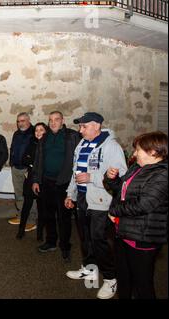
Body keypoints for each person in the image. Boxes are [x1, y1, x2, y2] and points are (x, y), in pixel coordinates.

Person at [64, 112, 127, 299]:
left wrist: (93, 178)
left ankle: (110, 278)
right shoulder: (81, 145)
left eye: (84, 126)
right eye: (80, 126)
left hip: (100, 200)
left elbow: (121, 176)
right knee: (85, 238)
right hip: (82, 198)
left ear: (97, 126)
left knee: (99, 240)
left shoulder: (111, 146)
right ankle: (90, 270)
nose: (80, 130)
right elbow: (76, 173)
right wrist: (71, 194)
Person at [105, 131, 168, 299]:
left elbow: (144, 204)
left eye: (137, 150)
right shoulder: (137, 168)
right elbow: (122, 191)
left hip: (143, 236)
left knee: (143, 285)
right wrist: (112, 179)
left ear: (153, 152)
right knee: (124, 280)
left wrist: (114, 210)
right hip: (124, 232)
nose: (133, 154)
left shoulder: (162, 175)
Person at [31, 111, 80, 261]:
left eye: (56, 120)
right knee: (48, 214)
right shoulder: (44, 138)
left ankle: (65, 247)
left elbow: (78, 159)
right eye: (50, 120)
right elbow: (38, 159)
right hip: (46, 182)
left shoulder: (71, 136)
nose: (53, 123)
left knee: (64, 217)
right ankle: (51, 242)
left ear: (62, 120)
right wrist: (36, 180)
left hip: (64, 183)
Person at [16, 122, 47, 240]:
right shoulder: (32, 143)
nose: (38, 132)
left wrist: (32, 162)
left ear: (46, 131)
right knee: (26, 206)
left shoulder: (48, 145)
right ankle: (21, 230)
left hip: (43, 180)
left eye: (41, 130)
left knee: (41, 208)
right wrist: (34, 164)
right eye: (36, 130)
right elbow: (24, 158)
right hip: (30, 179)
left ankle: (39, 234)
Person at [8, 112, 34, 225]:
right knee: (18, 194)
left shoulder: (34, 132)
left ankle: (31, 219)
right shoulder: (16, 134)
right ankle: (21, 215)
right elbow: (12, 148)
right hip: (16, 168)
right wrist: (12, 163)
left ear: (28, 120)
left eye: (23, 121)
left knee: (29, 195)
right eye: (18, 121)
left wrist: (31, 167)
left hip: (27, 169)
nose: (20, 123)